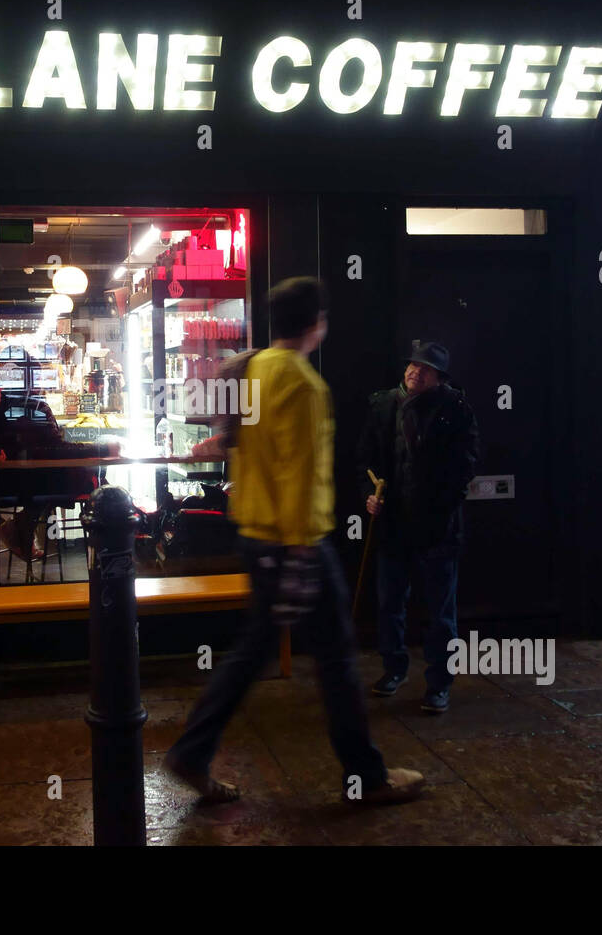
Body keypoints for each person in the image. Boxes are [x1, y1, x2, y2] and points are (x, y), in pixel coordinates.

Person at [165, 276, 427, 806]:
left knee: (254, 652)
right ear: (316, 324)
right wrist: (305, 554)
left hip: (255, 535)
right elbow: (303, 477)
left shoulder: (254, 367)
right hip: (297, 543)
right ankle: (367, 778)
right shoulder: (305, 386)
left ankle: (192, 753)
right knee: (335, 660)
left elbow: (244, 446)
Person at [357, 340, 479, 713]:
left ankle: (439, 683)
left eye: (424, 369)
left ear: (439, 378)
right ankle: (394, 669)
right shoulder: (383, 404)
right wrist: (369, 494)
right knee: (390, 603)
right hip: (393, 524)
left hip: (436, 528)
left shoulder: (454, 409)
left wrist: (439, 506)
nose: (414, 372)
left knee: (441, 612)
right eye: (412, 365)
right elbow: (365, 459)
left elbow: (466, 465)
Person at [0, 384, 116, 562]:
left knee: (78, 475)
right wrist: (102, 450)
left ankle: (21, 527)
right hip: (19, 482)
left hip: (14, 481)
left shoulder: (12, 410)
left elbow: (52, 450)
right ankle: (110, 539)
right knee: (82, 477)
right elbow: (56, 450)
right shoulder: (32, 409)